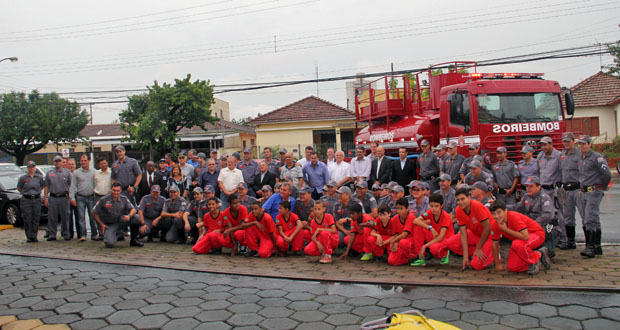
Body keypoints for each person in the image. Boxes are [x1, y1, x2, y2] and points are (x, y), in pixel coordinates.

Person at [436, 188, 502, 271]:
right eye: (458, 200)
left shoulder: (477, 206)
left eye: (463, 199)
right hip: (474, 233)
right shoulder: (458, 210)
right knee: (450, 243)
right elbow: (463, 233)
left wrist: (479, 248)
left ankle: (493, 252)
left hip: (489, 237)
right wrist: (465, 257)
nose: (460, 202)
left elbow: (487, 228)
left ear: (469, 197)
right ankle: (477, 253)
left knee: (475, 266)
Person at [490, 200, 551, 275]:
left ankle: (533, 262)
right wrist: (497, 264)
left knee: (517, 244)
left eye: (499, 212)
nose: (497, 216)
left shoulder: (513, 217)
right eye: (494, 214)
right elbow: (495, 244)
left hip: (537, 234)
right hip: (520, 240)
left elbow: (525, 237)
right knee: (513, 267)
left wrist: (506, 230)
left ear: (506, 211)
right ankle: (540, 254)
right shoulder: (494, 224)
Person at [576, 134, 612, 258]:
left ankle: (590, 247)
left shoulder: (597, 157)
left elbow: (606, 173)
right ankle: (597, 246)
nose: (581, 146)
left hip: (594, 191)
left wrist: (603, 185)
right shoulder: (581, 158)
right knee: (593, 219)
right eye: (579, 144)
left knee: (589, 219)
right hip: (584, 191)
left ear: (589, 144)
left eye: (583, 144)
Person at [507, 176, 556, 256]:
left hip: (546, 225)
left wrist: (533, 225)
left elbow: (548, 215)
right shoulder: (526, 197)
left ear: (539, 187)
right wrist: (502, 207)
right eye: (527, 186)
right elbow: (516, 207)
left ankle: (547, 249)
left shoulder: (544, 198)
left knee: (547, 248)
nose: (528, 188)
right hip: (534, 224)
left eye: (531, 186)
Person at [92, 182, 145, 248]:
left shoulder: (124, 198)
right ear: (111, 190)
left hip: (121, 221)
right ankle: (115, 234)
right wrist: (101, 224)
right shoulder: (104, 200)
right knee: (109, 244)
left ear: (121, 191)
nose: (115, 192)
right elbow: (93, 212)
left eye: (118, 191)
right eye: (114, 190)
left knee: (137, 218)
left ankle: (133, 240)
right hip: (110, 224)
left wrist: (129, 216)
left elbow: (133, 209)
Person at [410, 193, 454, 266]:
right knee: (418, 227)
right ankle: (421, 257)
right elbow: (416, 221)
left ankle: (445, 254)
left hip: (445, 239)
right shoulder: (430, 212)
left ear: (441, 206)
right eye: (431, 206)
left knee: (434, 249)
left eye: (436, 206)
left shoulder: (445, 216)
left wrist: (425, 246)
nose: (433, 208)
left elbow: (441, 237)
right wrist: (430, 228)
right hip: (436, 235)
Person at [558, 132, 582, 250]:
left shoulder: (580, 154)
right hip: (566, 190)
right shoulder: (562, 154)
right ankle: (571, 241)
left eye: (568, 141)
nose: (566, 143)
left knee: (585, 216)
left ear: (573, 141)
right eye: (564, 141)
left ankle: (591, 244)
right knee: (568, 216)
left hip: (578, 189)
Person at [537, 136, 562, 245]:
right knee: (546, 215)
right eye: (542, 145)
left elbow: (562, 171)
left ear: (551, 144)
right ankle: (549, 238)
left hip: (555, 190)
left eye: (545, 145)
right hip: (544, 190)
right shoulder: (540, 156)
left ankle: (563, 238)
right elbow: (538, 172)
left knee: (559, 215)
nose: (543, 147)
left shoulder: (559, 156)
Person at [44, 155, 72, 241]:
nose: (58, 163)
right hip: (53, 197)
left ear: (61, 162)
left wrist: (70, 197)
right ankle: (52, 234)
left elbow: (69, 184)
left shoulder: (67, 172)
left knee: (65, 217)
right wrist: (45, 198)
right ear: (54, 163)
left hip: (64, 197)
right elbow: (46, 186)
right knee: (52, 217)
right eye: (56, 161)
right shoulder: (49, 173)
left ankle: (66, 233)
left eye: (59, 161)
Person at [382, 198, 416, 266]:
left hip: (411, 242)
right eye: (398, 208)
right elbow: (395, 234)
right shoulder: (395, 218)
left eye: (402, 208)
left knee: (403, 242)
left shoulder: (411, 217)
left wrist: (393, 241)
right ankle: (404, 258)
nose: (399, 211)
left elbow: (404, 235)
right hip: (400, 242)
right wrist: (394, 242)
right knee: (391, 261)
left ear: (407, 208)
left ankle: (412, 256)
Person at [17, 160, 45, 243]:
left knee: (36, 218)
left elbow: (42, 186)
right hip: (26, 200)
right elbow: (19, 188)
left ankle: (34, 236)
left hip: (36, 199)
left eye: (33, 167)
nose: (31, 169)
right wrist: (26, 193)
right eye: (29, 167)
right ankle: (29, 236)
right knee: (27, 218)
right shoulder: (23, 178)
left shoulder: (39, 177)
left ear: (35, 167)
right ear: (27, 168)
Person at [73, 154, 96, 242]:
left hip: (91, 197)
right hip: (80, 197)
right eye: (82, 161)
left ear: (88, 161)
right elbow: (73, 186)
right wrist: (72, 198)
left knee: (92, 216)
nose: (83, 162)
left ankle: (94, 234)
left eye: (85, 160)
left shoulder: (94, 171)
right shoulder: (76, 172)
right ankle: (83, 235)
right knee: (81, 217)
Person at [92, 158, 110, 240]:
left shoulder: (111, 172)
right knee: (98, 215)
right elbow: (94, 184)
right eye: (102, 163)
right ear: (99, 165)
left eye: (105, 163)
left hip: (108, 196)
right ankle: (101, 233)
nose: (104, 165)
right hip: (98, 196)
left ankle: (109, 232)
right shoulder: (96, 173)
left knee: (108, 215)